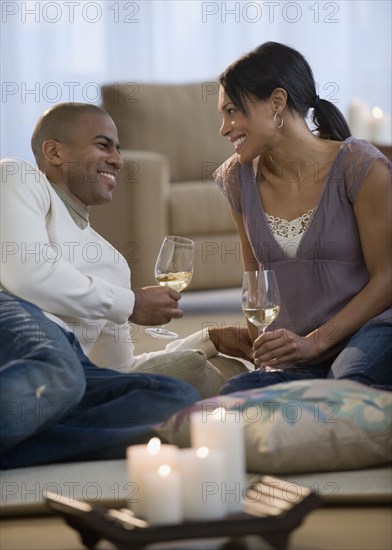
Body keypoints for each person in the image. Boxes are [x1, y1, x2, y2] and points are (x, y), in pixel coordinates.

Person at [211, 41, 392, 394]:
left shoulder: (359, 165)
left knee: (342, 389)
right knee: (236, 393)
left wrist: (318, 342)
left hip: (371, 329)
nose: (224, 127)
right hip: (299, 342)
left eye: (232, 111)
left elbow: (387, 277)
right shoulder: (237, 177)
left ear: (277, 102)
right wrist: (263, 349)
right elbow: (254, 283)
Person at [0, 291, 200, 468]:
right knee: (58, 375)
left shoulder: (116, 263)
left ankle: (16, 437)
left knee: (176, 399)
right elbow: (27, 277)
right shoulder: (34, 247)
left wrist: (208, 339)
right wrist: (131, 301)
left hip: (73, 364)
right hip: (20, 320)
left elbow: (123, 367)